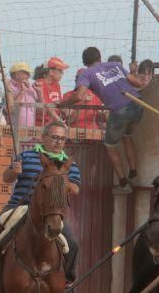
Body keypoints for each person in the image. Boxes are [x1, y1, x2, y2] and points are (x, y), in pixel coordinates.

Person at [0, 122, 81, 293]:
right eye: (54, 137)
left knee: (73, 243)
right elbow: (6, 178)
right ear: (44, 137)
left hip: (49, 211)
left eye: (62, 138)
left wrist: (60, 180)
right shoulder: (27, 155)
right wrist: (14, 172)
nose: (58, 142)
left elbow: (75, 189)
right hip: (18, 206)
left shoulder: (69, 164)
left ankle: (67, 284)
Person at [60, 47, 150, 194]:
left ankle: (123, 184)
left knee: (110, 145)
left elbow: (78, 96)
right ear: (100, 58)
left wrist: (62, 104)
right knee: (127, 137)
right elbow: (138, 83)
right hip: (138, 105)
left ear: (84, 61)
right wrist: (134, 72)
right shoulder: (115, 65)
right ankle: (133, 174)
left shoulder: (86, 73)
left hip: (120, 110)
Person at [36, 57, 68, 126]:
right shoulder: (40, 83)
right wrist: (59, 121)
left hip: (53, 123)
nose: (62, 73)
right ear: (51, 72)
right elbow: (47, 107)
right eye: (60, 70)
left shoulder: (56, 85)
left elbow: (59, 105)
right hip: (42, 125)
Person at [8, 62, 39, 129]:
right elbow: (11, 109)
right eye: (26, 73)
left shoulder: (31, 88)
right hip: (15, 130)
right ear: (17, 75)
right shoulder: (9, 88)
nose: (29, 76)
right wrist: (22, 92)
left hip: (30, 129)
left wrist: (40, 92)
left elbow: (41, 108)